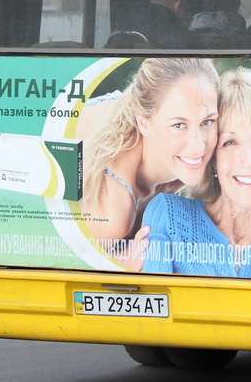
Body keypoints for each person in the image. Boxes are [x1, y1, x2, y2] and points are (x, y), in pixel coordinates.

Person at [141, 67, 251, 279]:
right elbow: (153, 304)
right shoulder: (169, 215)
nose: (249, 160)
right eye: (230, 142)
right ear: (213, 161)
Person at [80, 58, 221, 265]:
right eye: (179, 125)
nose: (198, 145)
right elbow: (48, 257)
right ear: (143, 123)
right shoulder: (114, 212)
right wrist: (120, 264)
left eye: (207, 122)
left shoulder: (185, 160)